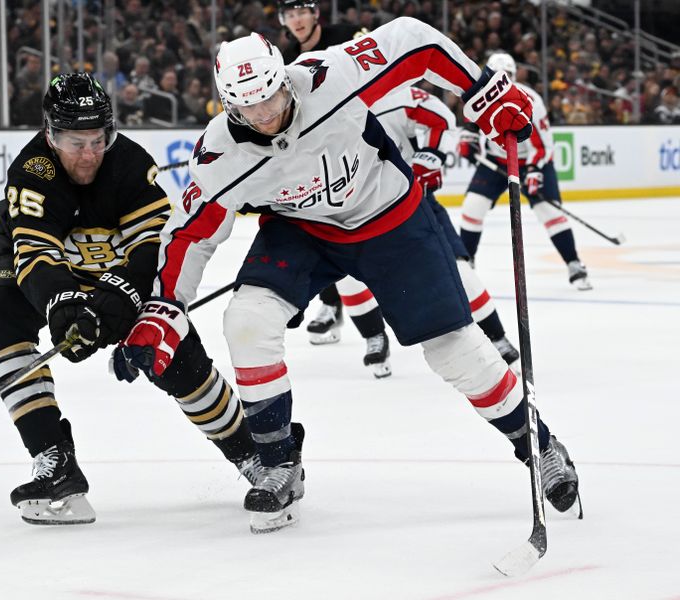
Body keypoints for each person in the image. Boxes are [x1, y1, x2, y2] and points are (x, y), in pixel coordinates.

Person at [113, 22, 581, 534]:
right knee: (247, 321)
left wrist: (480, 87)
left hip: (390, 219)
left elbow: (412, 41)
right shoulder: (220, 155)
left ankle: (539, 447)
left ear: (284, 80)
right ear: (229, 106)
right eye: (250, 109)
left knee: (454, 349)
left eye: (272, 98)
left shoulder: (328, 76)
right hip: (304, 233)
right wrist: (164, 309)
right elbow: (188, 236)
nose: (267, 116)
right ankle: (277, 462)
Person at [0, 73, 260, 525]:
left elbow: (154, 246)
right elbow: (35, 250)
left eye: (98, 139)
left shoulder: (128, 162)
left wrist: (120, 297)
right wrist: (62, 304)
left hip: (117, 273)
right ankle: (54, 458)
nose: (88, 154)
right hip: (54, 273)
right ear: (50, 133)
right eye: (74, 142)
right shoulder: (32, 170)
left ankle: (251, 451)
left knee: (176, 360)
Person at [279, 0, 391, 377]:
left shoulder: (345, 37)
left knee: (358, 240)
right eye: (288, 14)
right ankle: (338, 307)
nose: (295, 20)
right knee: (317, 232)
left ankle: (366, 313)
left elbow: (378, 74)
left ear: (315, 15)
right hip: (316, 157)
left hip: (359, 144)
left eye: (300, 12)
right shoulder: (284, 58)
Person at [372, 84, 521, 367]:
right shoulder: (323, 106)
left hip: (415, 203)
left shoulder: (393, 95)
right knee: (348, 278)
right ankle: (371, 335)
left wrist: (430, 157)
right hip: (361, 215)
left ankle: (496, 337)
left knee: (461, 274)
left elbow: (440, 115)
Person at [458, 52, 592, 291]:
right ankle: (466, 266)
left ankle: (574, 263)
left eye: (507, 76)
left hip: (530, 161)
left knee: (549, 211)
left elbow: (542, 144)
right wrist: (468, 140)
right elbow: (471, 122)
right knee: (472, 207)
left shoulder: (530, 98)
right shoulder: (478, 95)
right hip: (496, 159)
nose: (503, 81)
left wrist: (533, 171)